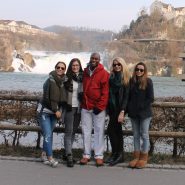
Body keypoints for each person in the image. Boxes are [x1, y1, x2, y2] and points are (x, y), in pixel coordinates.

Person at [80, 52, 109, 166]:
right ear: (90, 58)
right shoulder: (85, 72)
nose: (94, 60)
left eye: (96, 58)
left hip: (98, 108)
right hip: (85, 107)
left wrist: (100, 107)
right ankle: (86, 155)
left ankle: (99, 155)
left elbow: (105, 93)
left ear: (99, 60)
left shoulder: (104, 74)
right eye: (92, 58)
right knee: (85, 131)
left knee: (99, 131)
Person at [37, 61, 67, 167]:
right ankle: (50, 158)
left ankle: (43, 155)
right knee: (48, 134)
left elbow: (64, 100)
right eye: (58, 67)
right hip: (44, 112)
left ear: (65, 70)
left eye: (62, 68)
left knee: (47, 134)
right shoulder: (49, 81)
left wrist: (60, 112)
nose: (60, 69)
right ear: (55, 68)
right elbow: (46, 98)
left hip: (55, 114)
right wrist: (56, 110)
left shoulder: (65, 82)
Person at [127, 62, 154, 169]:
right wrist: (129, 108)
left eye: (141, 70)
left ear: (144, 71)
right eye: (137, 69)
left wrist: (141, 106)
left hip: (145, 114)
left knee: (144, 135)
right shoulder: (131, 81)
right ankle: (136, 157)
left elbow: (150, 98)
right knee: (136, 135)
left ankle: (143, 157)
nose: (139, 71)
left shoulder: (148, 81)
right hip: (133, 113)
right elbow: (128, 96)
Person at [106, 57, 130, 166]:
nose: (116, 66)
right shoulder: (111, 77)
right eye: (115, 64)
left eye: (119, 64)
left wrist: (122, 112)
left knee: (111, 130)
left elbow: (126, 97)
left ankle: (117, 154)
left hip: (120, 108)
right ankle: (117, 155)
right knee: (117, 131)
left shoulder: (126, 78)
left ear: (122, 65)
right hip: (112, 108)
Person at [63, 58, 83, 167]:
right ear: (71, 66)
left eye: (77, 65)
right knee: (68, 131)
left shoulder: (82, 78)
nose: (75, 67)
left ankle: (66, 153)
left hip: (79, 109)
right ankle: (69, 156)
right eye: (73, 65)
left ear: (80, 66)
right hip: (70, 108)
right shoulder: (66, 78)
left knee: (73, 131)